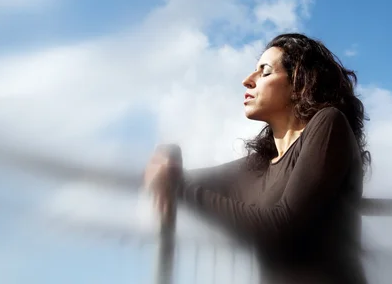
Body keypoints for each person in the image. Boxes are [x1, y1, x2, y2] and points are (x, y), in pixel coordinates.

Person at [145, 33, 370, 284]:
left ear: (300, 83)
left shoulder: (329, 124)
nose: (247, 81)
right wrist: (169, 156)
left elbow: (280, 229)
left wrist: (178, 188)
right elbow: (180, 178)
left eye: (264, 72)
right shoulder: (261, 164)